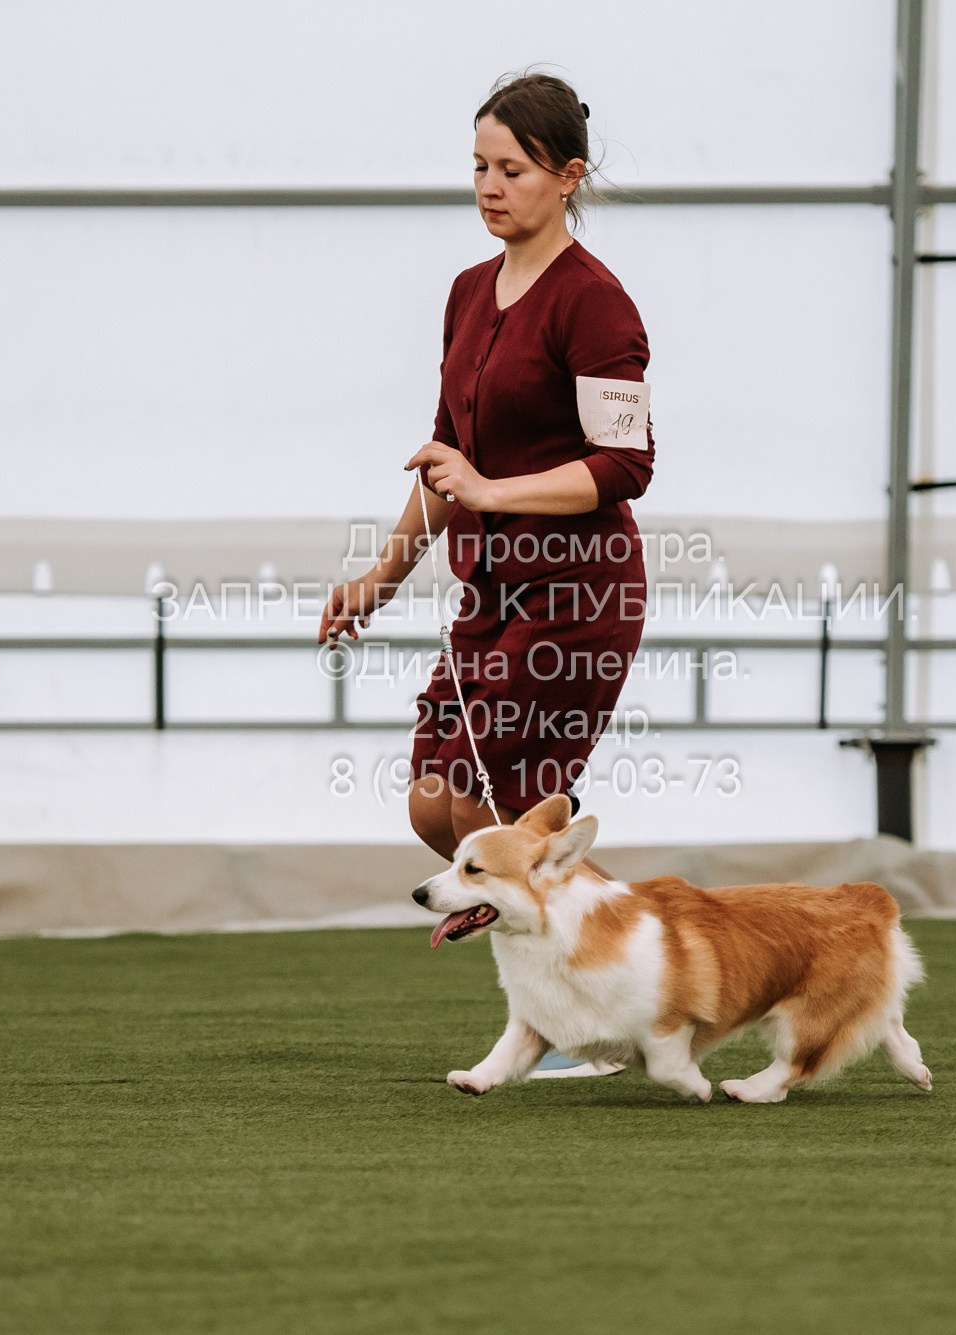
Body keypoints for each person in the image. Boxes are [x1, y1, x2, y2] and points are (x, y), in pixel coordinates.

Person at [316, 71, 656, 1076]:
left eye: (511, 169)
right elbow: (445, 452)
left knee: (485, 810)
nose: (489, 186)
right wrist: (379, 576)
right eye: (478, 166)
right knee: (437, 808)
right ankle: (632, 970)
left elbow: (621, 465)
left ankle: (591, 1013)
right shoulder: (468, 293)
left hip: (578, 591)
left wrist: (489, 486)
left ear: (567, 177)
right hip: (489, 593)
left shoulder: (596, 304)